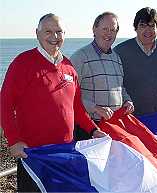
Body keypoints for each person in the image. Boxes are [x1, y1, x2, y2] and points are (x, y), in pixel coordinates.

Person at [0, 13, 106, 192]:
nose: (54, 37)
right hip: (33, 155)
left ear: (64, 34)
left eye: (58, 32)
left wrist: (93, 130)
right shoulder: (22, 63)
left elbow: (76, 108)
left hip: (65, 153)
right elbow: (5, 104)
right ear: (37, 33)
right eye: (48, 31)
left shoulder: (69, 67)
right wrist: (14, 140)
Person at [70, 12, 134, 125]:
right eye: (105, 29)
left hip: (115, 124)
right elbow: (70, 95)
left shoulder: (116, 58)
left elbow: (120, 87)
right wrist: (95, 108)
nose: (108, 33)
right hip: (90, 125)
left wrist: (127, 100)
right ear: (94, 29)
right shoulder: (80, 57)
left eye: (112, 30)